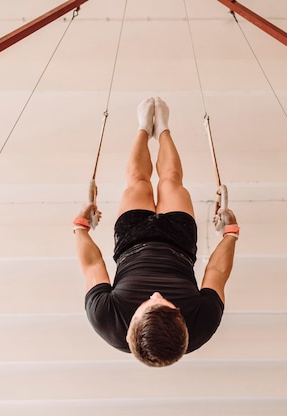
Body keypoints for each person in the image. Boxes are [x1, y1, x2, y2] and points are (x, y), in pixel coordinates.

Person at [73, 97, 239, 367]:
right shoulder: (203, 325)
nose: (157, 295)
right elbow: (217, 274)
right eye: (169, 305)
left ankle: (142, 128)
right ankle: (162, 128)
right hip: (180, 243)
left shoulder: (106, 319)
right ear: (183, 324)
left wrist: (81, 227)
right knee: (171, 179)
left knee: (139, 181)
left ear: (131, 326)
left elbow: (92, 266)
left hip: (131, 241)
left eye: (149, 305)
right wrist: (230, 232)